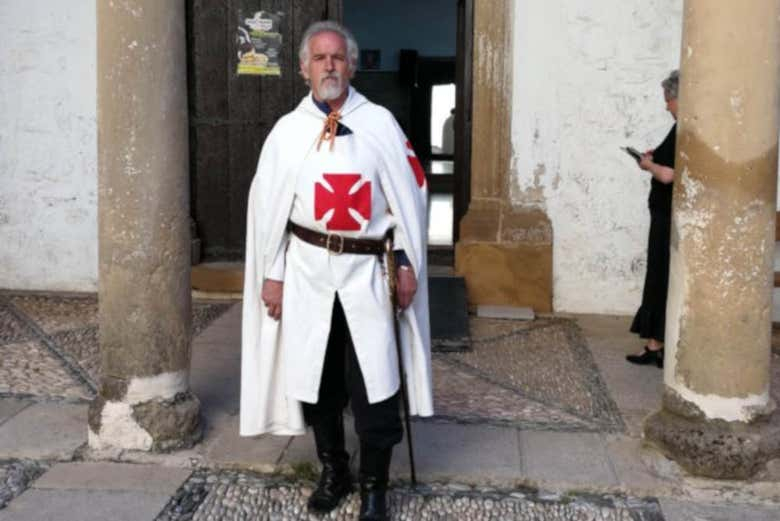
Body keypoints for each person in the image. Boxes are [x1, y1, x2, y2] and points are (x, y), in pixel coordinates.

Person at [240, 21, 433, 521]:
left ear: (352, 65)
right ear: (304, 69)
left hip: (369, 273)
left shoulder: (381, 125)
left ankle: (374, 486)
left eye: (338, 58)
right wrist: (274, 273)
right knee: (319, 380)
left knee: (376, 380)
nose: (330, 66)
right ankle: (334, 470)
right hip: (307, 273)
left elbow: (409, 198)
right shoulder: (287, 133)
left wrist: (406, 261)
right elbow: (272, 214)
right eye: (320, 58)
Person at [627, 70, 678, 368]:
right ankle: (656, 343)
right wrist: (652, 157)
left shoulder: (683, 128)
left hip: (666, 215)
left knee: (659, 276)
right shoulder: (680, 129)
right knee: (660, 276)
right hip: (664, 213)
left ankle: (655, 345)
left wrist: (649, 166)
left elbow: (669, 175)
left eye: (668, 100)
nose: (666, 106)